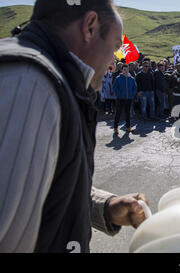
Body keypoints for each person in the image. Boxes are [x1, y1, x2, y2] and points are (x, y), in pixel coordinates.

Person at [0, 0, 148, 253]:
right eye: (114, 47)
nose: (113, 64)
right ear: (90, 26)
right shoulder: (29, 83)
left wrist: (105, 206)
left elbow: (44, 186)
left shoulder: (49, 81)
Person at [113, 64, 138, 133]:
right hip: (120, 98)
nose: (126, 71)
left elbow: (135, 87)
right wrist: (119, 94)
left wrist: (132, 94)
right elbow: (115, 87)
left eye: (127, 69)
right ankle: (115, 128)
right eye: (124, 69)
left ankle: (128, 127)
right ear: (122, 70)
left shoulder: (132, 79)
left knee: (127, 113)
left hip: (129, 98)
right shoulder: (118, 78)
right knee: (118, 113)